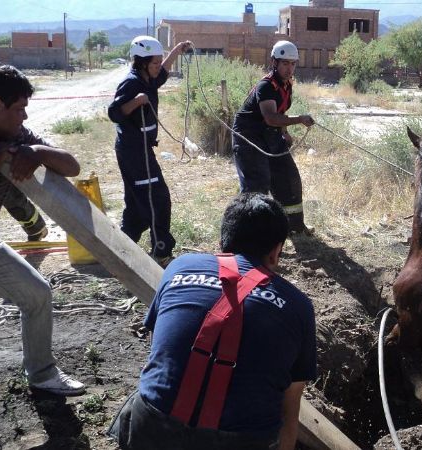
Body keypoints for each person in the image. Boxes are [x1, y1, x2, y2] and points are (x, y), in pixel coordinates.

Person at [109, 192, 317, 450]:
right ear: (276, 252)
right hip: (241, 441)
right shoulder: (298, 305)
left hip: (152, 426)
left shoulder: (180, 267)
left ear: (222, 242)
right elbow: (289, 407)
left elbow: (157, 352)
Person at [0, 65, 85, 395]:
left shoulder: (15, 136)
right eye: (19, 109)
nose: (24, 117)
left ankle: (41, 374)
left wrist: (37, 153)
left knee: (37, 294)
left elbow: (72, 165)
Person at [107, 36, 192, 267]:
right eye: (154, 62)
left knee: (137, 202)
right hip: (135, 152)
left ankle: (124, 247)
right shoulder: (132, 83)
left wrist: (178, 49)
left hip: (140, 150)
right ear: (142, 62)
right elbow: (114, 112)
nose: (158, 66)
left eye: (158, 61)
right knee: (158, 199)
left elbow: (164, 70)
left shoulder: (149, 78)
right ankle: (161, 252)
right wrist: (136, 101)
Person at [232, 40, 315, 234]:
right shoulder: (266, 86)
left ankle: (293, 226)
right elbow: (270, 117)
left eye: (293, 64)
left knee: (289, 178)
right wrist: (299, 119)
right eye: (285, 63)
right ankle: (247, 233)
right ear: (274, 62)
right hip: (249, 137)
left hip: (270, 135)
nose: (289, 68)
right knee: (257, 186)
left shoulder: (286, 85)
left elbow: (280, 111)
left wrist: (285, 133)